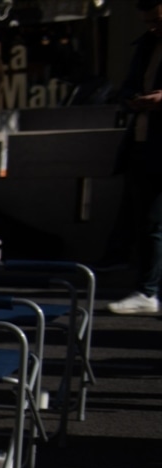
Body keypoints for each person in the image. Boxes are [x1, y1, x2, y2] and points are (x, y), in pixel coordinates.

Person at [108, 0, 162, 314]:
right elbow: (127, 86)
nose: (153, 27)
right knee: (147, 221)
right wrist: (133, 100)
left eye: (157, 20)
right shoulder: (146, 46)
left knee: (153, 222)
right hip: (144, 142)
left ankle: (148, 290)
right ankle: (148, 289)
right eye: (148, 22)